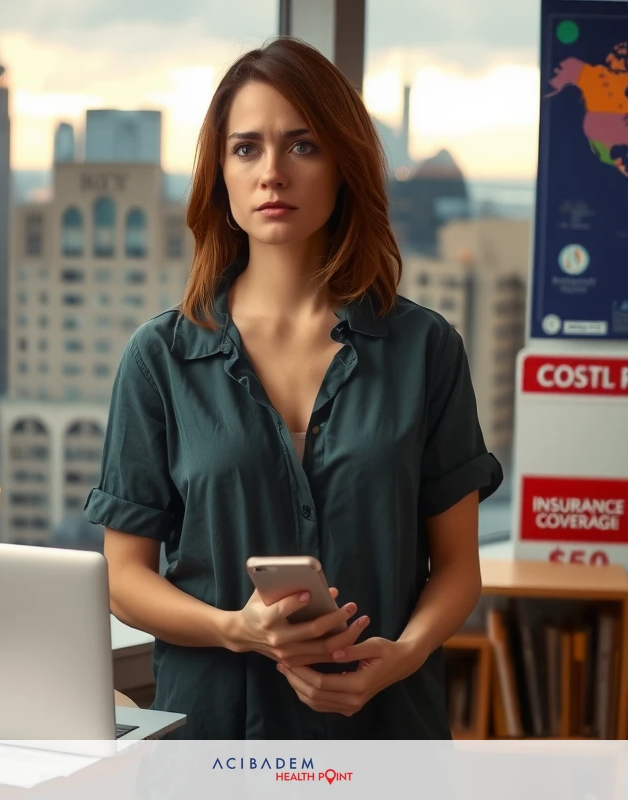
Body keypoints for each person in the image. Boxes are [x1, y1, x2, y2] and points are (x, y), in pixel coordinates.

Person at [83, 36, 503, 739]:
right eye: (246, 148)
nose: (272, 172)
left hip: (384, 738)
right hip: (213, 741)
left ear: (343, 165)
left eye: (302, 146)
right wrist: (236, 629)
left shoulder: (426, 350)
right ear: (220, 174)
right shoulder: (158, 358)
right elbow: (125, 577)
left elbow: (458, 567)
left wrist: (400, 658)